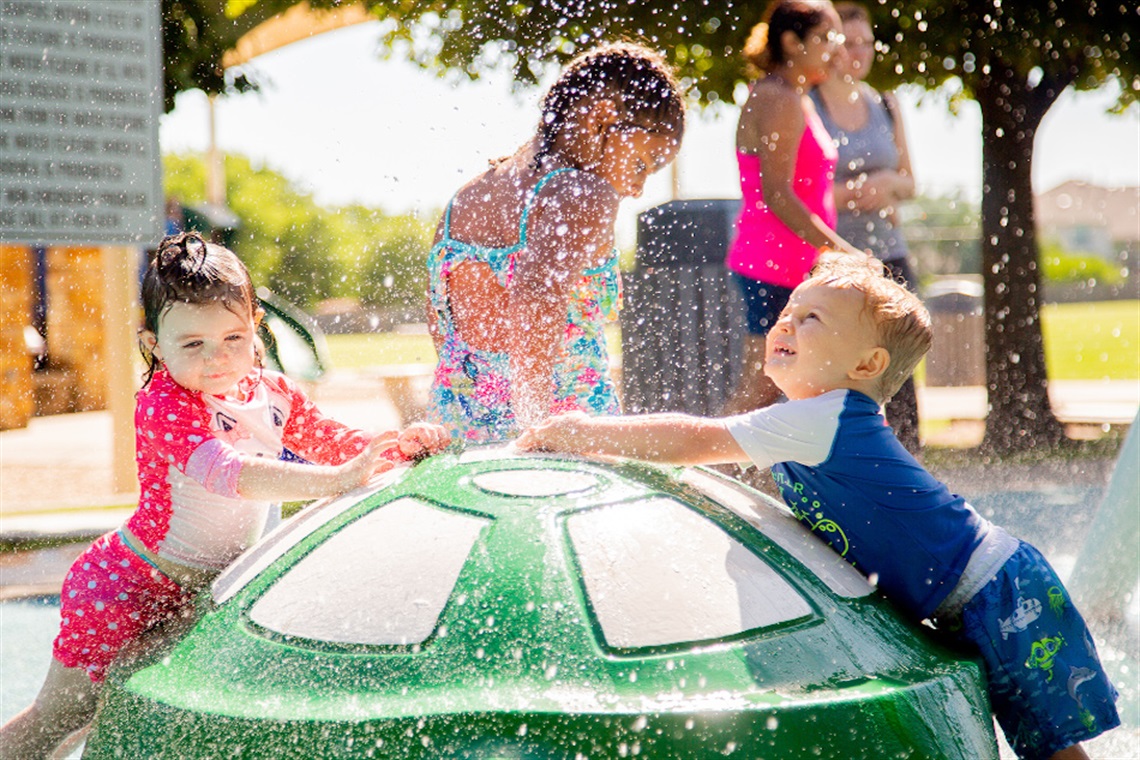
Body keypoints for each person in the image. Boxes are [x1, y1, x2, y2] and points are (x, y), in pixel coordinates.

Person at [519, 254, 1119, 760]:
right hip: (985, 591)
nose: (786, 324)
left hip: (999, 592)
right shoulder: (827, 420)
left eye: (811, 319)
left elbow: (690, 441)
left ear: (866, 365)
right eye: (787, 313)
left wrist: (578, 432)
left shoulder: (821, 417)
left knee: (1054, 754)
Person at [0, 232, 451, 759]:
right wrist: (333, 481)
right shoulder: (164, 404)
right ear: (153, 344)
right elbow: (228, 471)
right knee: (61, 719)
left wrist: (403, 447)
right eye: (193, 344)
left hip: (209, 588)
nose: (217, 359)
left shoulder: (274, 394)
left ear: (255, 328)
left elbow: (338, 444)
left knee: (138, 712)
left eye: (233, 339)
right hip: (127, 588)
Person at [426, 41, 685, 443]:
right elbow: (537, 298)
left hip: (460, 430)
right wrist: (535, 430)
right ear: (602, 118)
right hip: (555, 439)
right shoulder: (584, 192)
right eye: (641, 164)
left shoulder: (469, 196)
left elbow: (440, 324)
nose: (637, 188)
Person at [722, 0, 863, 416]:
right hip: (770, 265)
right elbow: (778, 196)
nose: (835, 47)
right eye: (823, 37)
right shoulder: (778, 98)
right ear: (790, 41)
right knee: (763, 388)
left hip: (791, 266)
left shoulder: (796, 97)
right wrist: (844, 252)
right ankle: (702, 474)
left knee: (786, 387)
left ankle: (741, 476)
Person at [810, 1, 921, 453]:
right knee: (838, 370)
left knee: (902, 366)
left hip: (889, 255)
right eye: (848, 43)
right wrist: (850, 193)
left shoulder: (887, 105)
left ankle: (910, 461)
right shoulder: (807, 106)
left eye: (867, 43)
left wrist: (887, 183)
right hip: (831, 259)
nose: (858, 53)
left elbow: (911, 182)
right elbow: (794, 193)